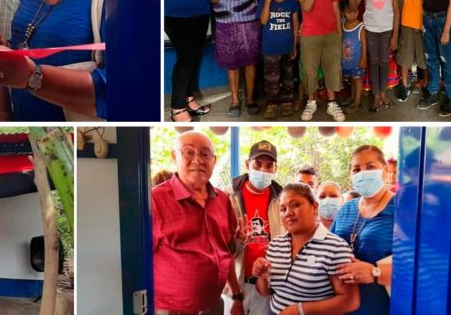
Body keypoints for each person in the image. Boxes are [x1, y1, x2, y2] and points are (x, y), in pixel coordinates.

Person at [152, 131, 242, 315]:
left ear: (214, 160)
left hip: (215, 304)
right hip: (173, 310)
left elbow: (227, 252)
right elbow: (137, 260)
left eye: (205, 154)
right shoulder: (154, 200)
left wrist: (237, 296)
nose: (198, 160)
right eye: (188, 152)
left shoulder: (223, 200)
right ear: (174, 156)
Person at [254, 183, 359, 314]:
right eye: (283, 209)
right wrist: (262, 277)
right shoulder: (275, 245)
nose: (288, 213)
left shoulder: (335, 248)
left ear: (314, 207)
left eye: (295, 205)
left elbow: (350, 301)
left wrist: (300, 310)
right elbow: (265, 292)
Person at [209, 0, 266, 118]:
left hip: (250, 23)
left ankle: (249, 99)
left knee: (250, 63)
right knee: (231, 66)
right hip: (225, 24)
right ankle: (235, 99)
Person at [331, 145, 395, 315]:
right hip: (342, 306)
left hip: (382, 307)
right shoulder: (346, 209)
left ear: (386, 170)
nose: (363, 173)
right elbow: (328, 249)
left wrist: (374, 272)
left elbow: (419, 265)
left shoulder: (403, 209)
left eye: (370, 167)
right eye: (356, 169)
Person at [229, 140, 285, 314]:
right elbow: (221, 248)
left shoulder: (282, 200)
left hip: (267, 284)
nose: (263, 170)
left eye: (269, 166)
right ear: (247, 164)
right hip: (237, 283)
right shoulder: (228, 196)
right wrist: (234, 294)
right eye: (258, 164)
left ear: (275, 168)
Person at [295, 0, 345, 122]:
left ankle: (332, 103)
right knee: (310, 70)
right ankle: (311, 102)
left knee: (332, 69)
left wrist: (339, 35)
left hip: (331, 35)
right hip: (310, 36)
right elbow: (306, 7)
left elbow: (336, 11)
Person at [349, 0, 400, 113]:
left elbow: (397, 12)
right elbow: (353, 7)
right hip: (370, 30)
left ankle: (383, 93)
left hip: (387, 31)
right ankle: (376, 95)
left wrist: (395, 37)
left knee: (384, 62)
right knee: (373, 62)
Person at [259, 0, 298, 119]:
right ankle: (272, 103)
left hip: (287, 47)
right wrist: (268, 0)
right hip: (270, 49)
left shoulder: (291, 1)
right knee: (271, 78)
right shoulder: (264, 0)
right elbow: (263, 21)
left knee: (288, 76)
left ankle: (287, 101)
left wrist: (294, 45)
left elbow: (295, 25)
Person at [396, 0, 429, 102]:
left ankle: (426, 84)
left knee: (424, 57)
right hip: (407, 21)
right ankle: (404, 85)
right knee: (405, 57)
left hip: (423, 23)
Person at [342, 1, 367, 114]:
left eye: (355, 12)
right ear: (342, 13)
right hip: (347, 62)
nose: (352, 15)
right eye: (349, 12)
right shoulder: (342, 23)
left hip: (357, 61)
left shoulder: (360, 26)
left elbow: (364, 44)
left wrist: (363, 58)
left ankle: (357, 102)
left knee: (357, 80)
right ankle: (352, 98)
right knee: (351, 79)